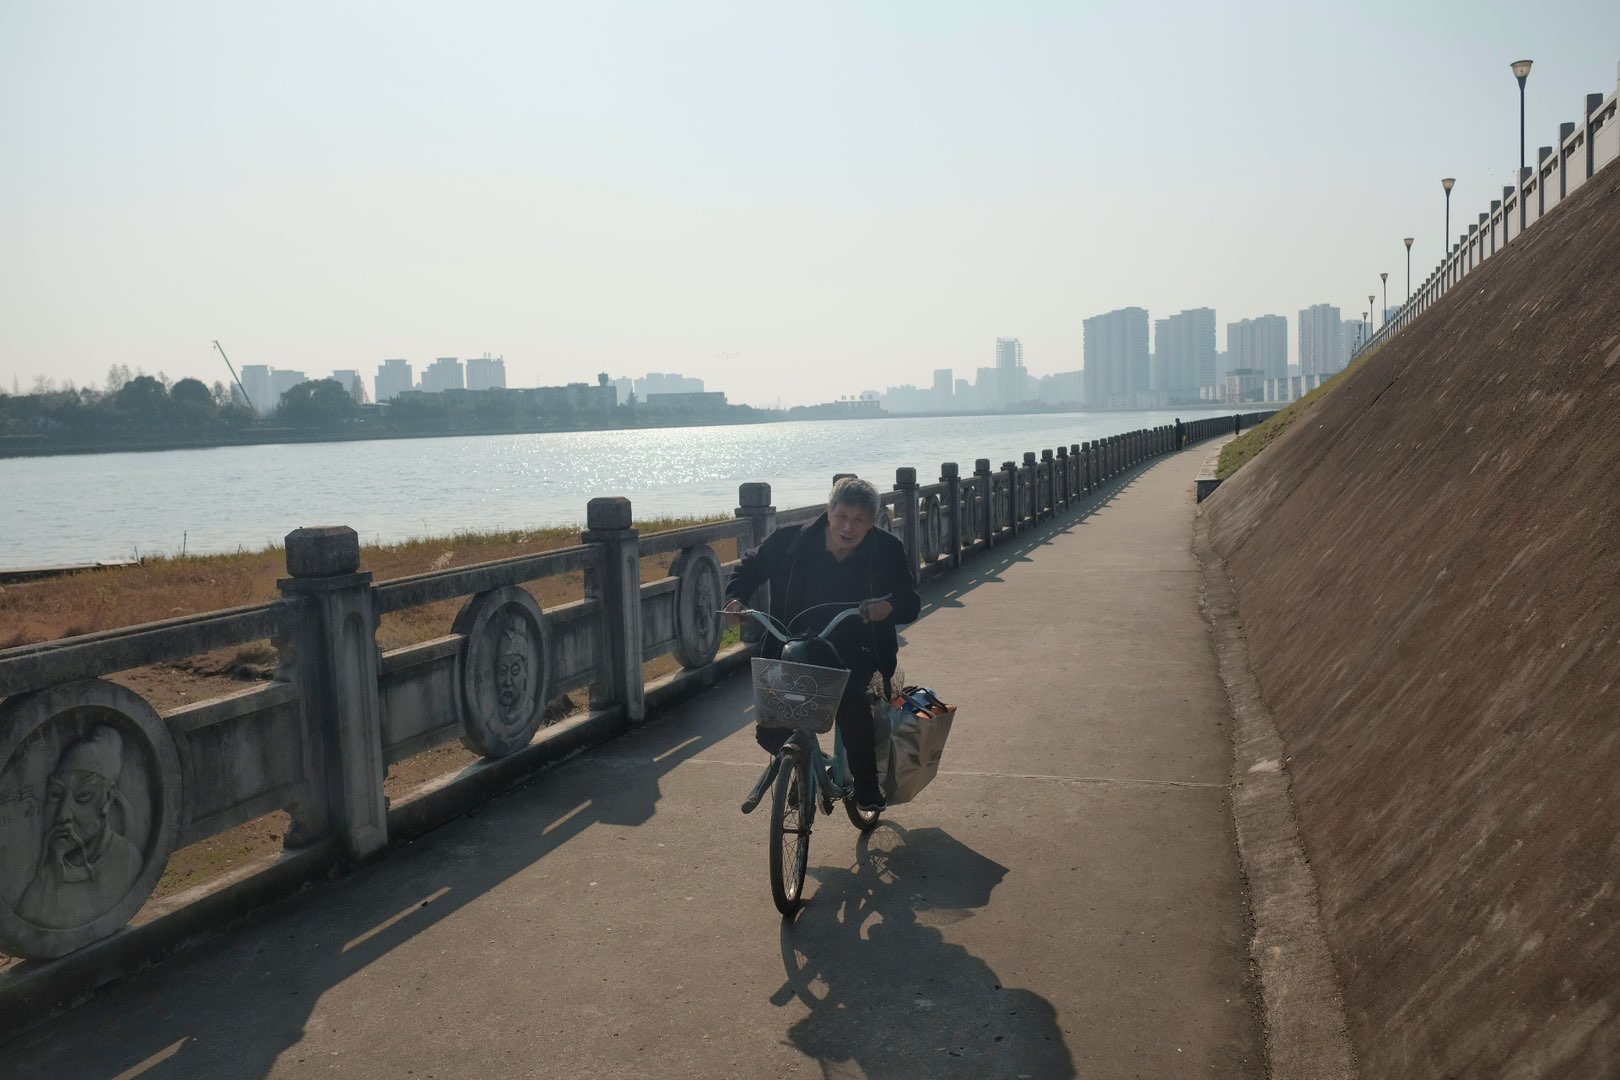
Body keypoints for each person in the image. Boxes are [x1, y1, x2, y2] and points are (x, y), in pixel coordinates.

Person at [724, 477, 921, 811]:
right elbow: (751, 565)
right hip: (792, 640)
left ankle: (866, 783)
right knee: (770, 727)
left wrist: (887, 608)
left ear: (872, 522)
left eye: (858, 520)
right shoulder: (790, 540)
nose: (847, 527)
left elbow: (910, 602)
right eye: (841, 516)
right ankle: (804, 763)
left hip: (856, 644)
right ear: (828, 510)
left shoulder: (885, 549)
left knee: (850, 702)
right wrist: (735, 599)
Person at [16, 725, 145, 930]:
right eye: (56, 795)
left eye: (83, 796)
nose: (63, 815)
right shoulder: (41, 886)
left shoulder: (127, 860)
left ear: (108, 798)